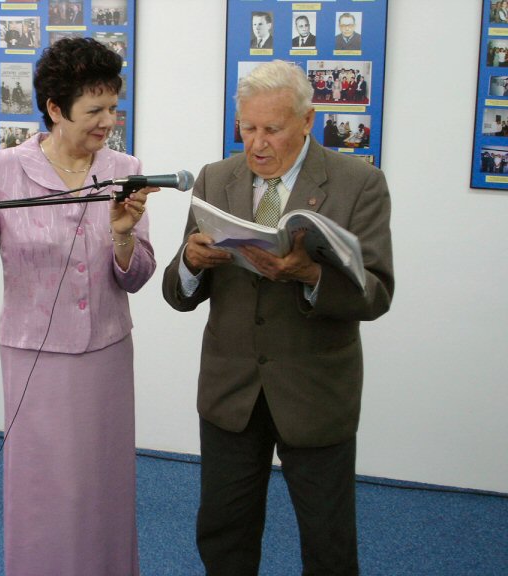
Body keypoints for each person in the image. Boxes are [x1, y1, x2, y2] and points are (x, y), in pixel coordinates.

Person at [0, 37, 157, 576]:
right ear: (55, 109)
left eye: (113, 107)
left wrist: (123, 236)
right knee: (44, 485)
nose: (108, 122)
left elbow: (140, 272)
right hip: (34, 353)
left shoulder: (126, 167)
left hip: (105, 349)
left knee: (103, 483)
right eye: (93, 110)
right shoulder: (3, 168)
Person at [162, 60, 394, 575]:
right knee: (224, 533)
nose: (257, 143)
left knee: (328, 540)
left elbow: (376, 294)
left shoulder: (360, 183)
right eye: (247, 128)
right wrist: (192, 264)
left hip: (314, 391)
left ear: (307, 121)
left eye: (273, 129)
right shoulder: (214, 179)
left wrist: (310, 275)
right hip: (231, 390)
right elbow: (177, 293)